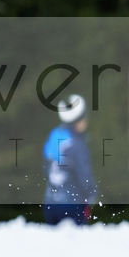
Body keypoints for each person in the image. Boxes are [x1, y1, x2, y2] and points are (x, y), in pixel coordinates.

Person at [43, 94, 98, 225]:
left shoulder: (54, 137)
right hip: (73, 206)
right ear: (78, 121)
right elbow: (84, 175)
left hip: (50, 204)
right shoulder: (77, 144)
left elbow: (45, 170)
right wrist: (91, 195)